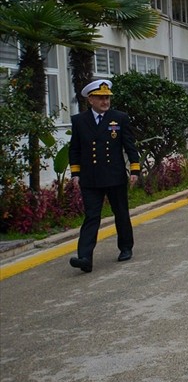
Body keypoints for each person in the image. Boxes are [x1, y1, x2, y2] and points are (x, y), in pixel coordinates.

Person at [67, 79, 141, 273]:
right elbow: (74, 149)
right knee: (91, 217)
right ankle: (85, 257)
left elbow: (129, 146)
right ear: (90, 100)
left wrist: (135, 169)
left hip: (114, 175)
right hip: (90, 178)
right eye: (101, 98)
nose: (105, 101)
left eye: (107, 97)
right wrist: (75, 173)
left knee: (121, 213)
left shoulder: (120, 118)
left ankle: (125, 247)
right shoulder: (79, 121)